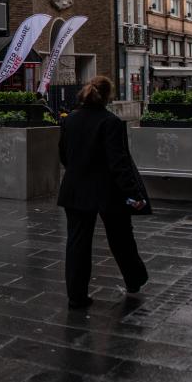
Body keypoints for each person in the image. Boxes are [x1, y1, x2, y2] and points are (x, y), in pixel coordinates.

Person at [57, 75, 150, 309]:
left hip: (75, 189)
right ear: (108, 96)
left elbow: (64, 155)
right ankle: (134, 279)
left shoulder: (70, 120)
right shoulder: (111, 122)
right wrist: (135, 194)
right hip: (108, 191)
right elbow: (119, 164)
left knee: (77, 242)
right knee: (121, 238)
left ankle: (76, 295)